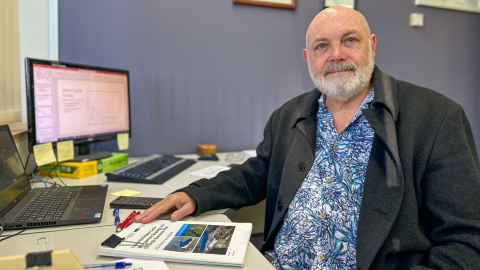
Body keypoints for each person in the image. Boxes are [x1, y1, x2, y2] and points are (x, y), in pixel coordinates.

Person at [136, 6, 480, 269]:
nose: (336, 55)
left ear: (371, 46)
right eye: (321, 46)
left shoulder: (437, 118)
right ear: (308, 59)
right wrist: (194, 196)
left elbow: (465, 241)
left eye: (349, 40)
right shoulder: (289, 116)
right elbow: (256, 173)